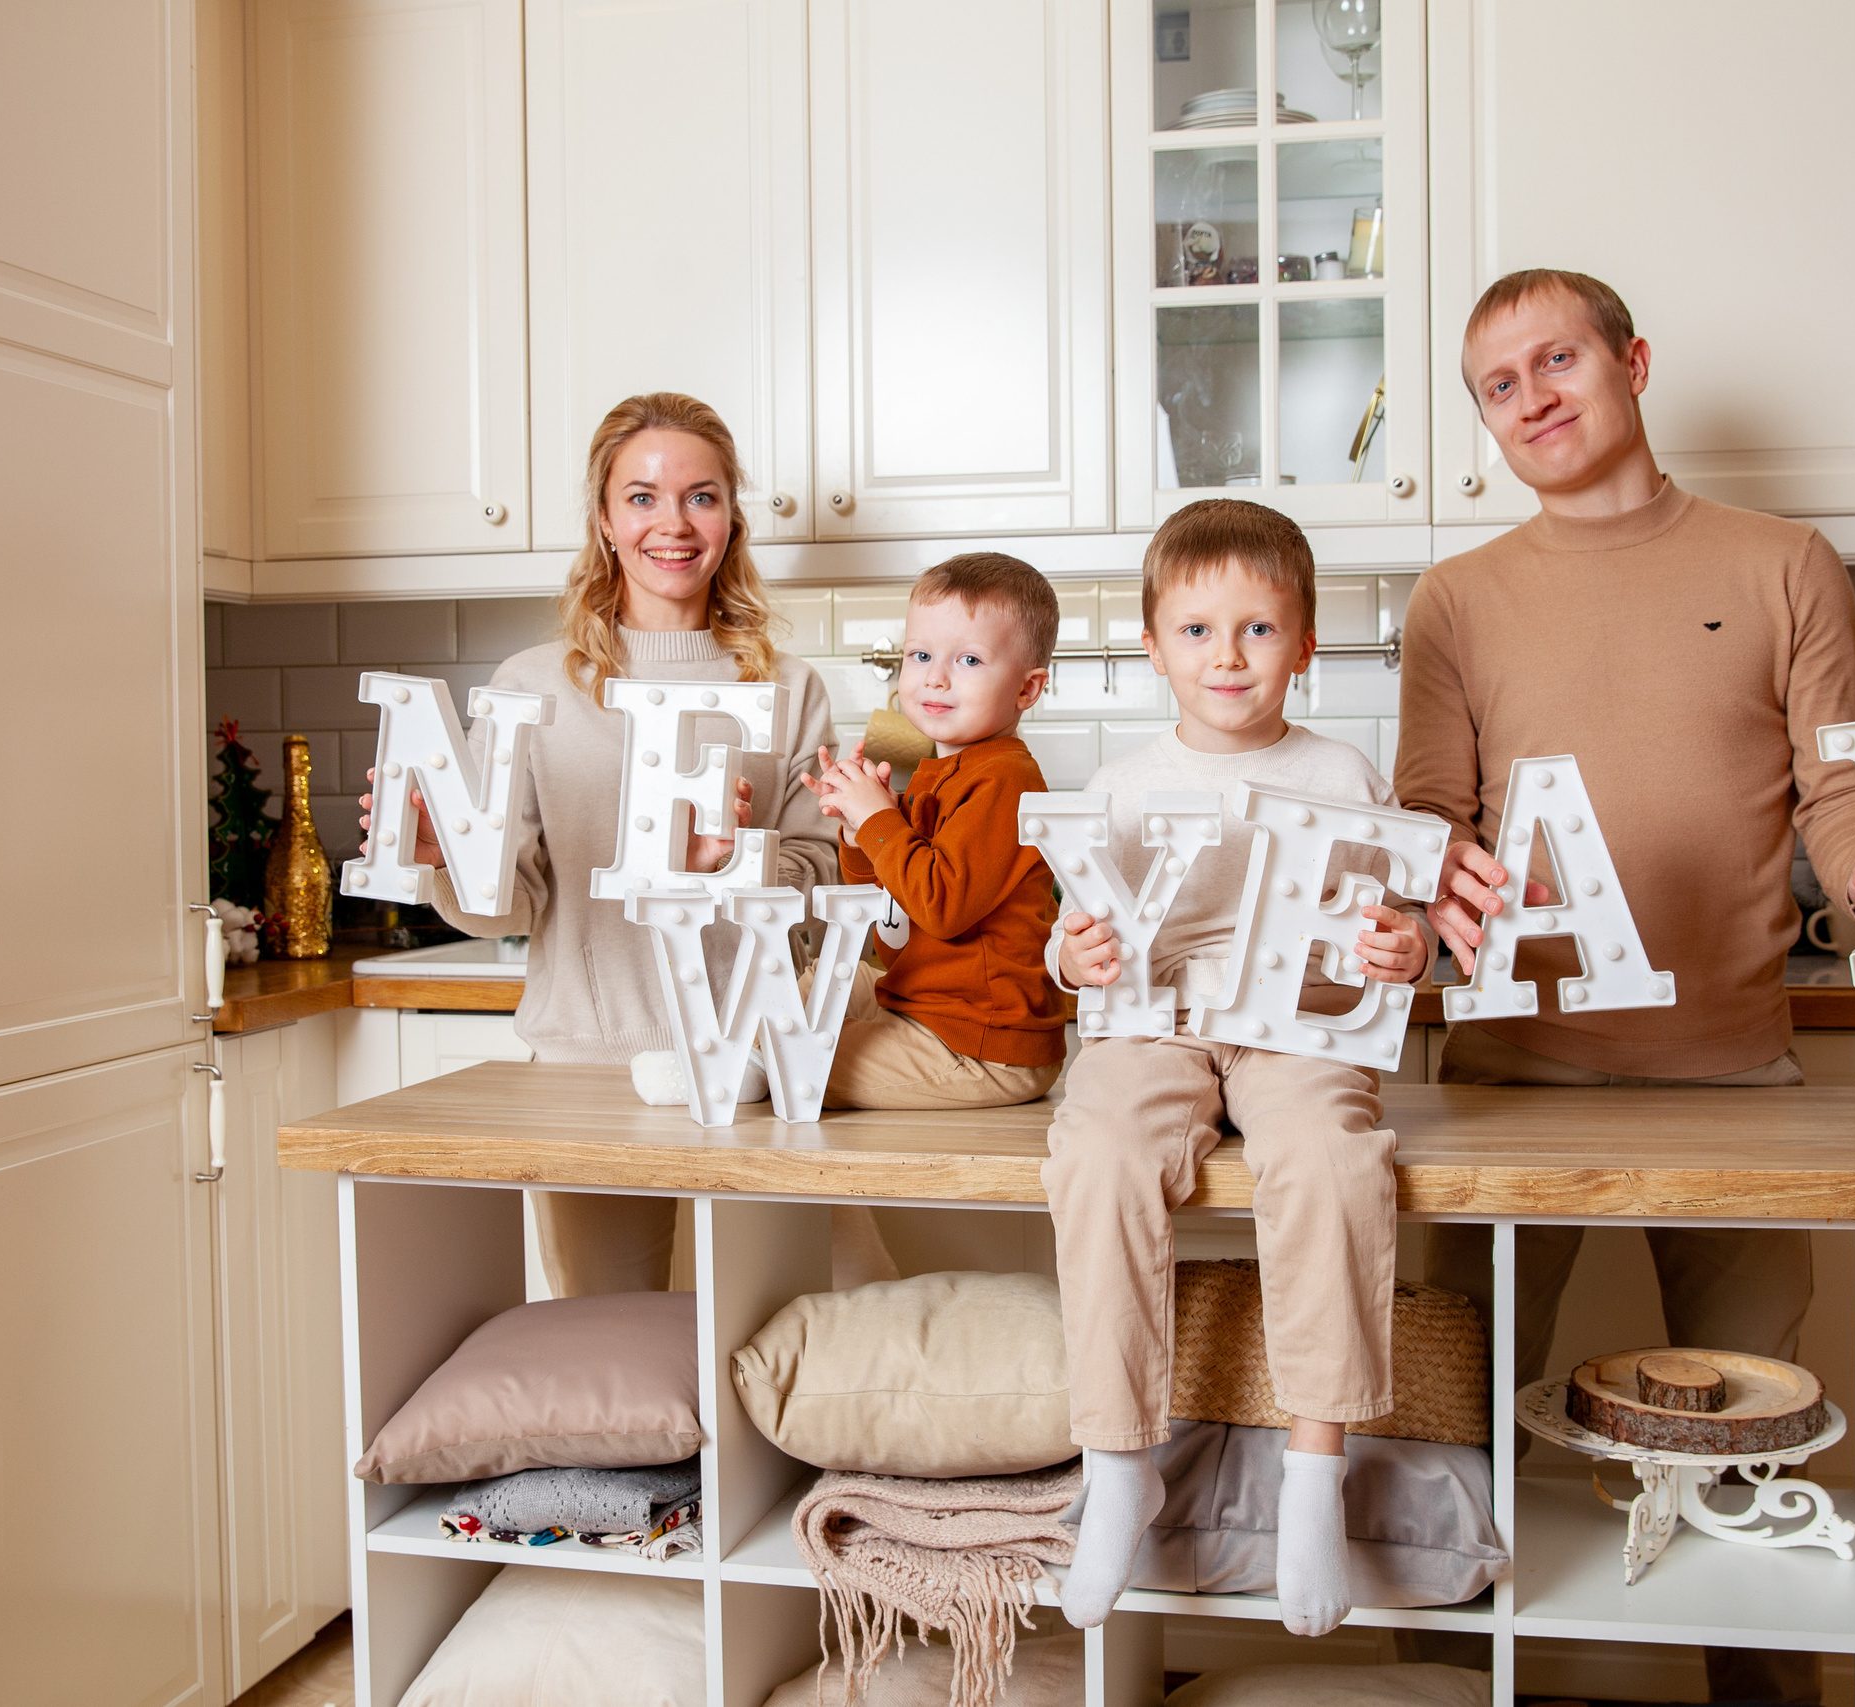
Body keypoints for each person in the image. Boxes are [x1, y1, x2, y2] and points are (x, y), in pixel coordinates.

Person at [1396, 270, 1855, 1706]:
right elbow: (1426, 816)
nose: (1532, 396)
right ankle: (1446, 1689)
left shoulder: (1784, 560)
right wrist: (1438, 874)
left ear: (1632, 361)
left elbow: (1840, 796)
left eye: (1557, 358)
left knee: (1750, 1440)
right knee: (1453, 1431)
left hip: (1733, 1083)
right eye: (1497, 383)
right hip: (1507, 1085)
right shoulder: (1457, 598)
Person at [1042, 499, 1430, 1640]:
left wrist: (1400, 950)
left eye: (1258, 629)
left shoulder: (1342, 770)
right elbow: (1074, 946)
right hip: (1152, 1027)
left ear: (1304, 644)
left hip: (1295, 1027)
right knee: (1099, 1152)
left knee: (1328, 1157)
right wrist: (1074, 956)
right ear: (1153, 645)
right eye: (1198, 630)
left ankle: (1316, 1471)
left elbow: (1388, 925)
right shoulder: (1118, 786)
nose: (1228, 656)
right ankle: (1119, 1463)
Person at [359, 392, 842, 1298]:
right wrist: (439, 853)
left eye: (702, 496)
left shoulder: (786, 685)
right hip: (588, 1068)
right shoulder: (533, 684)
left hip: (751, 1066)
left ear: (732, 518)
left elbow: (819, 883)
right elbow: (514, 899)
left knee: (784, 1338)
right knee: (613, 1351)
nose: (674, 523)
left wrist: (741, 855)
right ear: (604, 521)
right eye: (643, 497)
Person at [797, 552, 1068, 1108]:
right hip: (921, 1003)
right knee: (788, 993)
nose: (935, 677)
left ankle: (744, 1071)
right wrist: (857, 831)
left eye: (969, 659)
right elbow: (884, 910)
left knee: (795, 1054)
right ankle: (753, 1059)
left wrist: (879, 820)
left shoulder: (1005, 781)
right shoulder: (936, 774)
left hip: (981, 1045)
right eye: (920, 654)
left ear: (1027, 689)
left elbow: (940, 905)